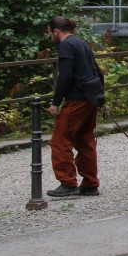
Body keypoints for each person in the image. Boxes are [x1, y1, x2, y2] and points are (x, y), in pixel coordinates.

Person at [46, 17, 101, 197]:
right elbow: (96, 69)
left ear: (56, 31)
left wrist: (55, 102)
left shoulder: (66, 45)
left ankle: (68, 182)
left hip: (77, 98)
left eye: (50, 33)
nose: (50, 36)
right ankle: (90, 183)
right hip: (91, 96)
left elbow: (65, 76)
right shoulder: (81, 43)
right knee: (85, 140)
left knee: (61, 140)